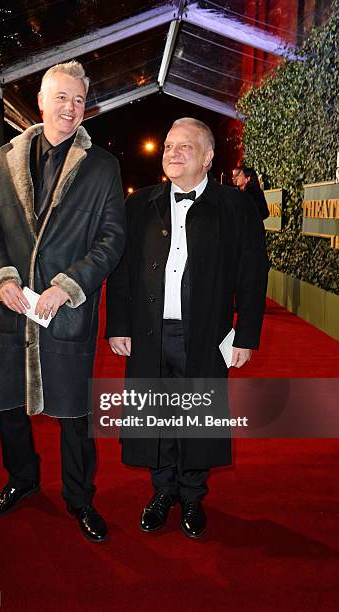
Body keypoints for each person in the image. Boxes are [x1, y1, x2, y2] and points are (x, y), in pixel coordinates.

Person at [0, 61, 125, 542]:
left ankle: (80, 499)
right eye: (61, 97)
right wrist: (1, 279)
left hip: (66, 313)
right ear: (40, 101)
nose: (70, 108)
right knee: (5, 408)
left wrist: (69, 285)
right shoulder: (6, 159)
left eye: (79, 100)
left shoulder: (102, 166)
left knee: (74, 416)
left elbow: (112, 238)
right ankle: (22, 479)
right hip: (13, 312)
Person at [106, 118, 268, 538]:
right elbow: (121, 270)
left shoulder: (236, 207)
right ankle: (162, 492)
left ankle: (193, 495)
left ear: (209, 158)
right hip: (148, 333)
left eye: (186, 147)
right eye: (169, 146)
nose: (173, 153)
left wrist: (246, 334)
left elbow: (253, 274)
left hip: (205, 335)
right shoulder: (139, 203)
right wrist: (117, 325)